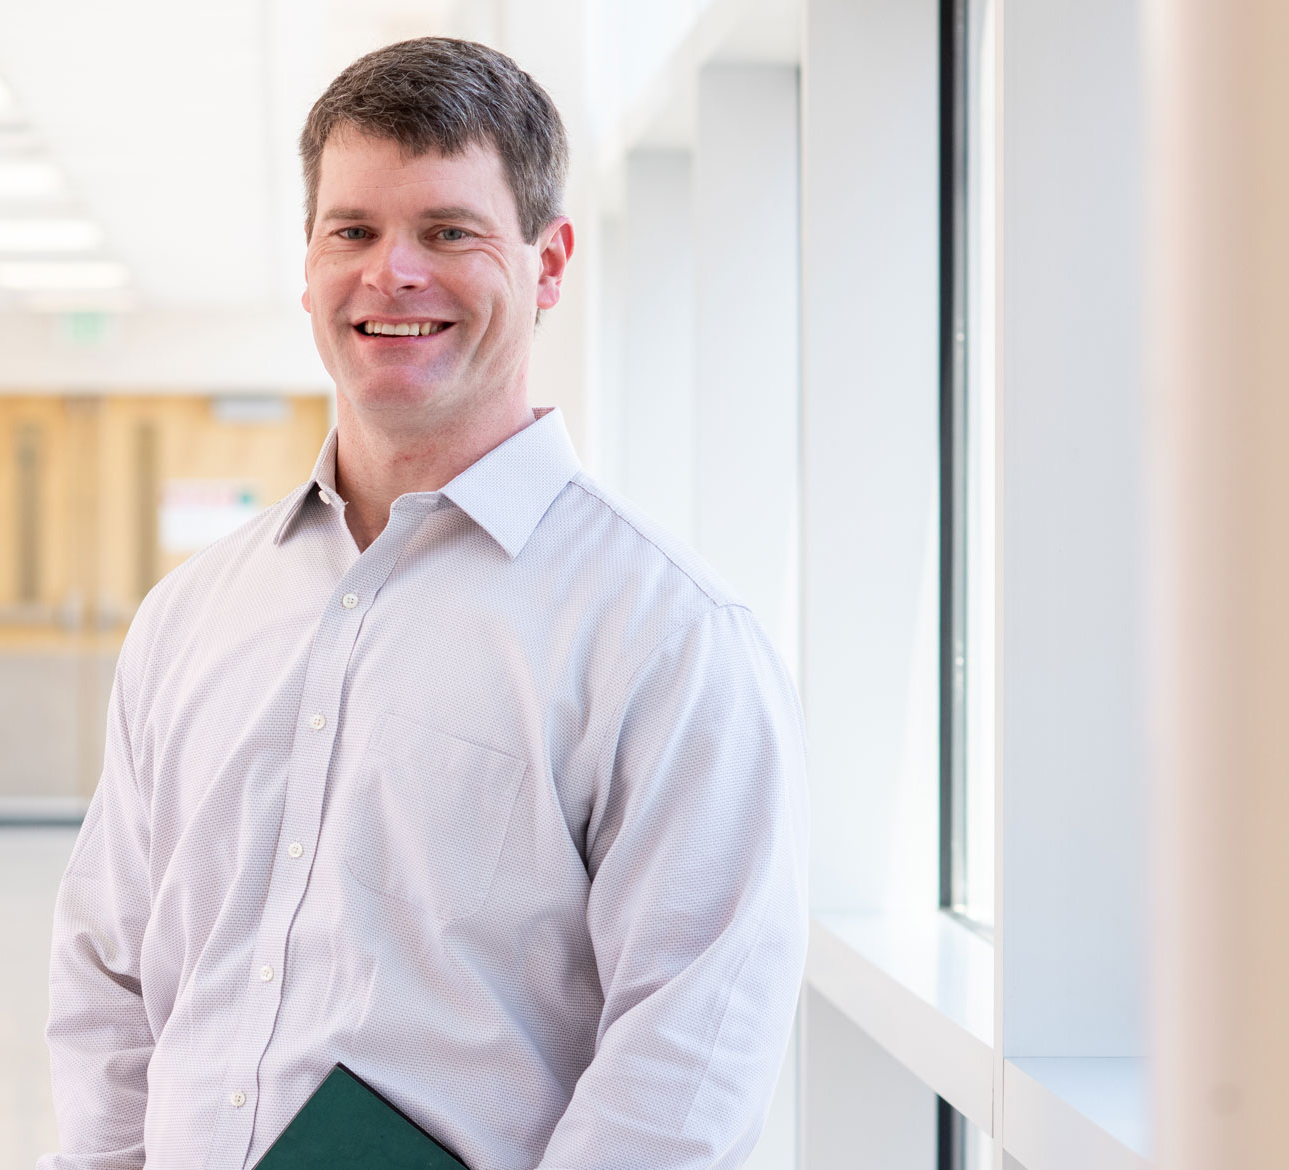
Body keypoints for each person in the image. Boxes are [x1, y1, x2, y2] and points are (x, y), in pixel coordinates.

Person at [40, 37, 807, 1170]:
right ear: (306, 266)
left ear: (547, 264)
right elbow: (107, 975)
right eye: (351, 230)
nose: (390, 273)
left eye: (447, 231)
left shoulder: (666, 637)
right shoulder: (189, 616)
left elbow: (690, 1052)